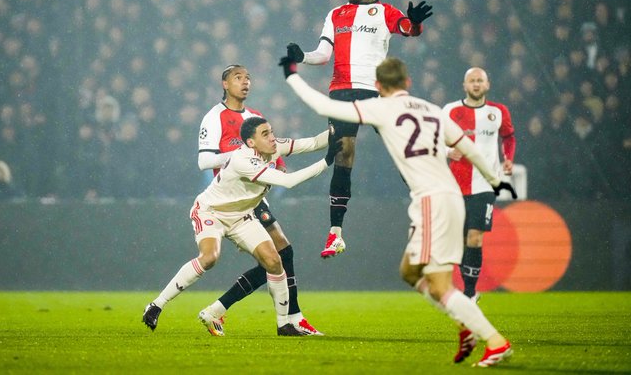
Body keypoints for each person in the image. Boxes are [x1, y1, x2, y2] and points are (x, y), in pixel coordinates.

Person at [279, 56, 516, 367]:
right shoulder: (432, 109)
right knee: (409, 272)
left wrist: (292, 75)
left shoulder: (381, 107)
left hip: (433, 200)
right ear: (408, 83)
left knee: (441, 285)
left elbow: (324, 107)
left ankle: (495, 341)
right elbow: (469, 148)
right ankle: (467, 324)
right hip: (443, 197)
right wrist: (497, 180)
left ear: (377, 87)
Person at [142, 116, 342, 336]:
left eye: (271, 131)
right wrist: (327, 161)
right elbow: (288, 181)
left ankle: (284, 324)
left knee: (275, 261)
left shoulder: (274, 147)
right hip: (211, 212)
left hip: (242, 216)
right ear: (250, 142)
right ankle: (157, 304)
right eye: (265, 134)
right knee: (210, 257)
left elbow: (313, 142)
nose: (272, 138)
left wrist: (341, 129)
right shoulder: (243, 160)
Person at [285, 0, 433, 258]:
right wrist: (302, 56)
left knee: (401, 147)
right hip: (341, 91)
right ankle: (335, 234)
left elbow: (407, 29)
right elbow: (323, 54)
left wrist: (415, 24)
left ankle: (429, 202)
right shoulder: (335, 14)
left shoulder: (386, 12)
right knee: (344, 153)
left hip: (377, 91)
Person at [195, 64, 322, 336]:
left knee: (280, 255)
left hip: (256, 191)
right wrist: (241, 158)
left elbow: (273, 147)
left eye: (248, 78)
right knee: (280, 254)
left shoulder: (255, 116)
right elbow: (204, 161)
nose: (245, 82)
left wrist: (277, 163)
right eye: (238, 78)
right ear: (225, 84)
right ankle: (290, 318)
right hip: (234, 195)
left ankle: (220, 309)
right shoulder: (214, 117)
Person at [442, 67, 516, 301]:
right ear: (464, 85)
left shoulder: (498, 111)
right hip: (456, 185)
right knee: (462, 241)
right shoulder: (451, 110)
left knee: (475, 237)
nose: (476, 84)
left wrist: (508, 159)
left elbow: (509, 136)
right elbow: (434, 138)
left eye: (480, 81)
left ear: (487, 85)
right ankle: (469, 287)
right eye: (472, 81)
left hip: (485, 184)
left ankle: (470, 293)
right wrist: (446, 151)